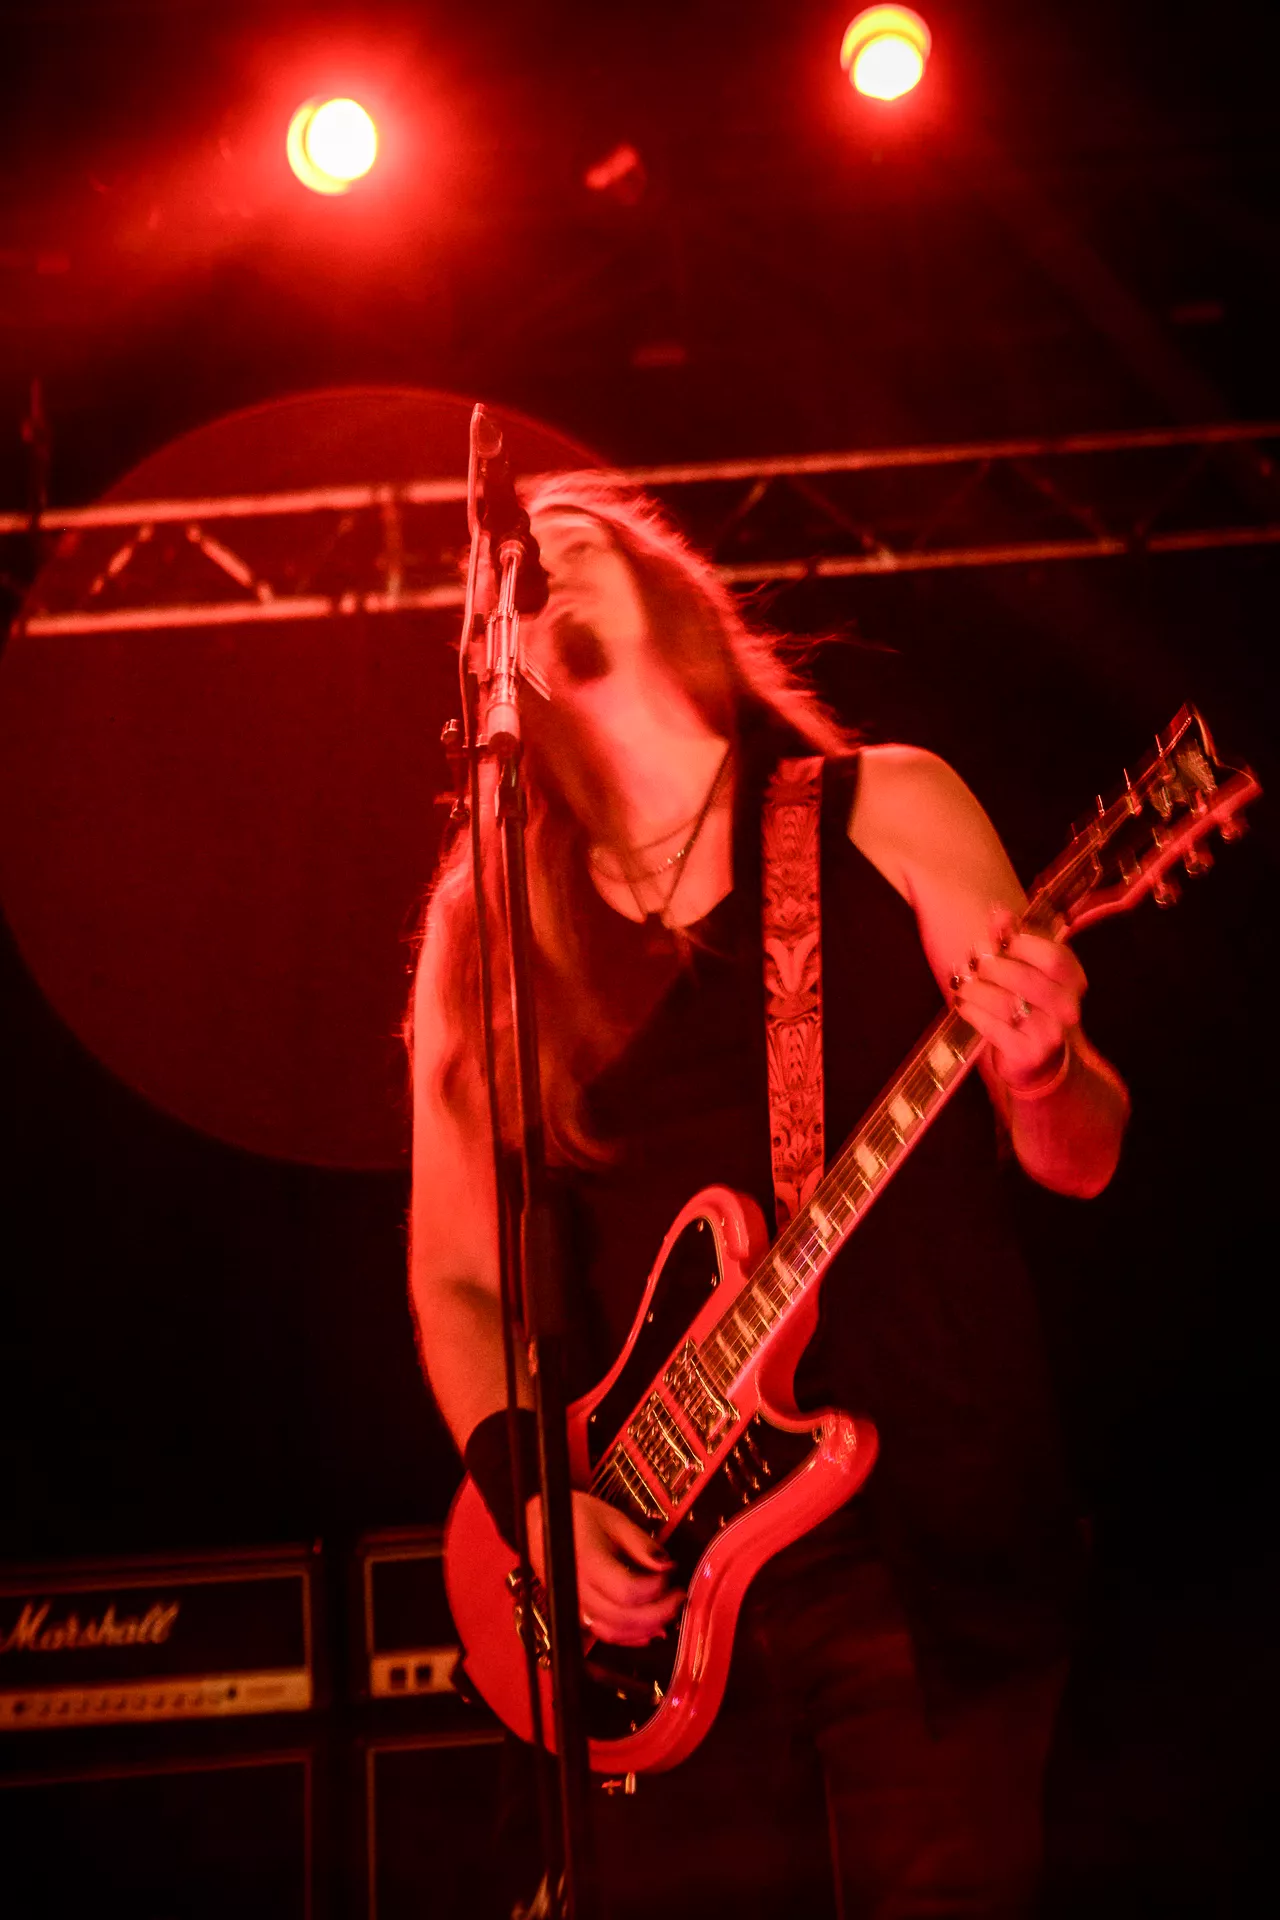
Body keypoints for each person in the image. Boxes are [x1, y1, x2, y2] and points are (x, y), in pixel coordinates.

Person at [408, 475, 1130, 1919]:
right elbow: (458, 1276)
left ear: (668, 590)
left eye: (579, 543)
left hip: (926, 1555)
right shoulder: (490, 922)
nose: (546, 566)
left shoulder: (886, 803)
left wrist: (1044, 1066)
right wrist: (532, 1499)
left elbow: (1082, 1155)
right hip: (656, 1602)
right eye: (521, 570)